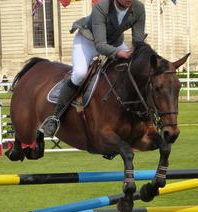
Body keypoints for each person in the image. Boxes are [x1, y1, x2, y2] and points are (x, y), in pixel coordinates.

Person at [41, 0, 146, 137]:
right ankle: (54, 118)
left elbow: (138, 41)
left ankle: (142, 113)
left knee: (135, 69)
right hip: (88, 41)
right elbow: (100, 45)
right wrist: (121, 53)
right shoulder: (102, 7)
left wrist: (138, 52)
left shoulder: (139, 8)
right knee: (79, 74)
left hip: (115, 42)